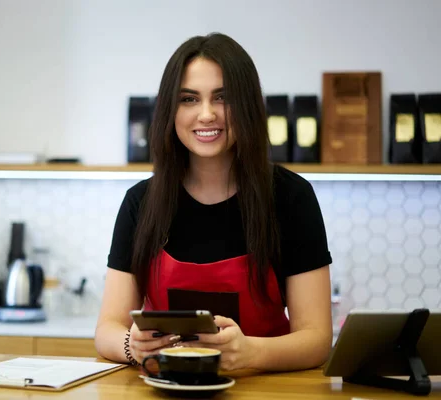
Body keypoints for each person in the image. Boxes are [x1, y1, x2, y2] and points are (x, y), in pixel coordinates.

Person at [94, 32, 333, 372]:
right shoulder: (140, 203)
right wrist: (132, 345)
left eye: (222, 98)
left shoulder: (291, 198)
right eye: (189, 99)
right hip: (167, 389)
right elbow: (107, 330)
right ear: (169, 110)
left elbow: (316, 339)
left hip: (265, 390)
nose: (206, 115)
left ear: (248, 105)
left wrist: (252, 353)